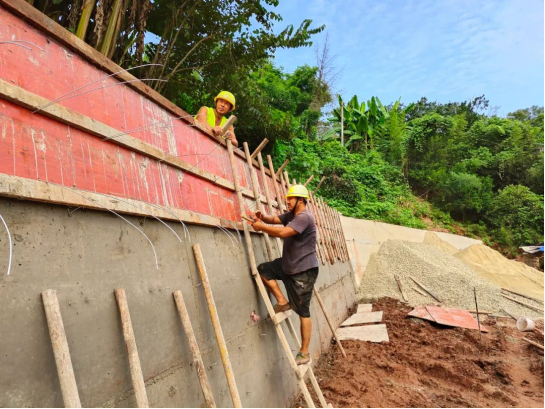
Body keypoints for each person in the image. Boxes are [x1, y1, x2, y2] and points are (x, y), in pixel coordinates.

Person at [247, 185, 319, 366]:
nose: (287, 201)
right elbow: (275, 220)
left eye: (290, 199)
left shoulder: (304, 217)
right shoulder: (292, 215)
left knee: (303, 311)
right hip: (289, 265)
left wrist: (261, 227)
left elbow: (284, 232)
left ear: (300, 200)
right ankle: (282, 301)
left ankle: (304, 352)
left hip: (303, 272)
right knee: (264, 270)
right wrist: (263, 217)